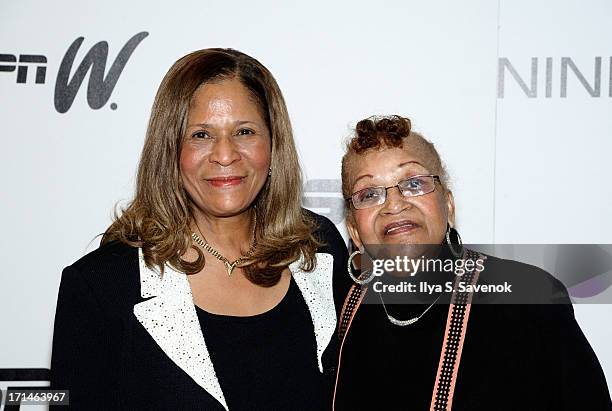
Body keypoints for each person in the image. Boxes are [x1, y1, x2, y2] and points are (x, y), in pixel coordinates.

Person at [50, 48, 350, 410]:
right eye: (201, 135)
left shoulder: (319, 248)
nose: (225, 155)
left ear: (272, 145)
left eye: (244, 131)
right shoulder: (102, 286)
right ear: (170, 150)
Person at [332, 115, 612, 410]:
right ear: (354, 231)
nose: (395, 204)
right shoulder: (338, 311)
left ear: (448, 205)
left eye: (414, 183)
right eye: (369, 194)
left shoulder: (529, 299)